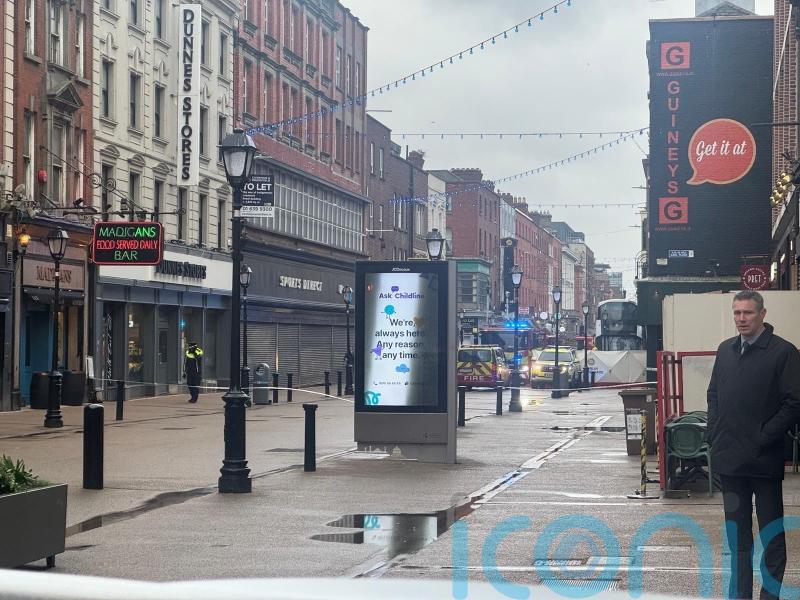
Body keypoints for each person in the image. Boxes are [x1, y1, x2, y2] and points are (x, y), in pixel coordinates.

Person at [707, 290, 800, 599]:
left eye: (747, 313)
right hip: (730, 462)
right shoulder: (725, 350)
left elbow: (793, 403)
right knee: (738, 540)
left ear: (762, 314)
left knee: (772, 537)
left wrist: (762, 437)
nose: (741, 319)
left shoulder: (783, 353)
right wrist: (714, 434)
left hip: (763, 461)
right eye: (736, 313)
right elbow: (714, 395)